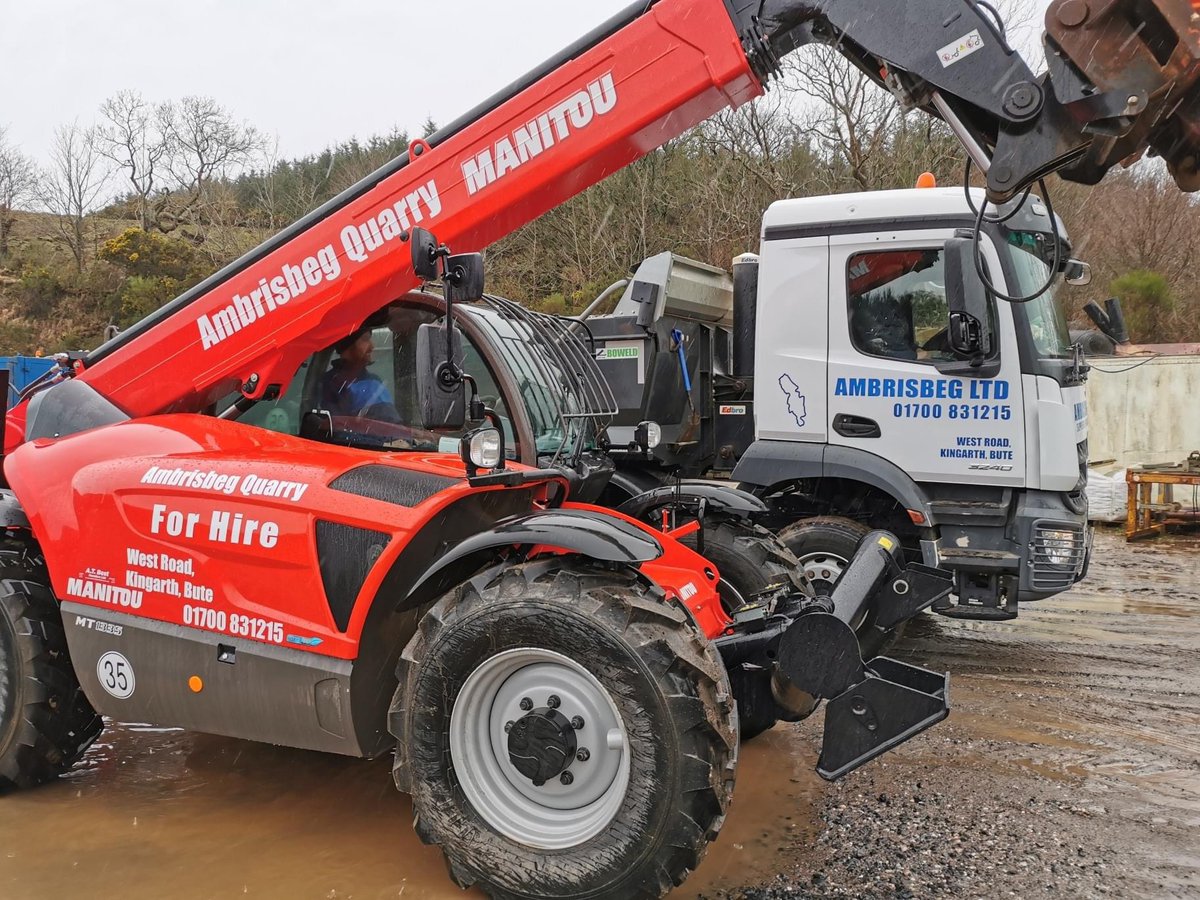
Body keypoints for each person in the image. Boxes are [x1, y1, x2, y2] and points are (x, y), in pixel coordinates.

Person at [320, 327, 400, 422]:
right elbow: (338, 429)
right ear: (348, 345)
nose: (372, 346)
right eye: (365, 339)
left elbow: (392, 422)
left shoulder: (374, 380)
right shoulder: (331, 384)